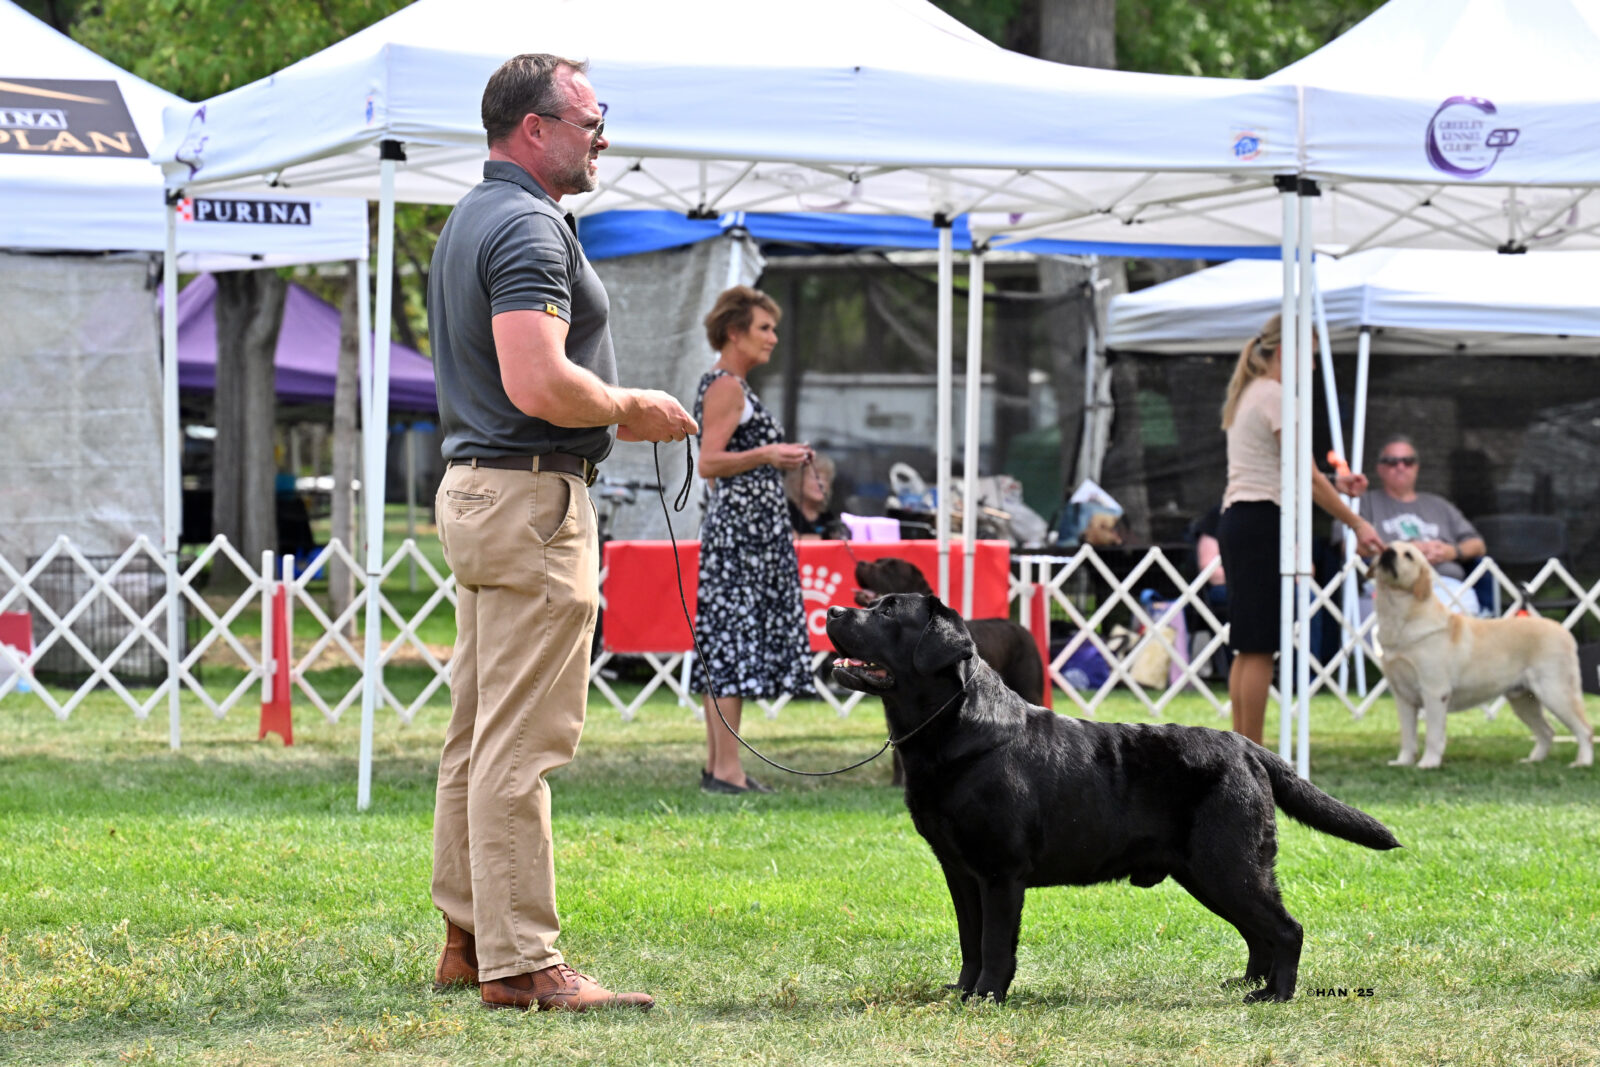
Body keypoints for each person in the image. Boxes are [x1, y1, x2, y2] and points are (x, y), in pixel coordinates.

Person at [427, 53, 697, 1014]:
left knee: (475, 731)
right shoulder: (529, 229)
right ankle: (523, 962)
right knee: (523, 743)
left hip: (477, 489)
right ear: (531, 128)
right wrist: (635, 406)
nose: (602, 134)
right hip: (531, 495)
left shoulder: (468, 218)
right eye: (588, 118)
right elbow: (538, 382)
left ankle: (468, 935)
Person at [1218, 314, 1384, 745]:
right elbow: (1306, 479)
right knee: (1259, 647)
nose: (1311, 366)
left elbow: (1290, 471)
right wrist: (1357, 522)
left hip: (1239, 519)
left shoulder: (1249, 394)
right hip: (1260, 522)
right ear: (1283, 352)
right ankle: (1250, 754)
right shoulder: (1277, 397)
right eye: (1308, 356)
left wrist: (1338, 486)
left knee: (1248, 645)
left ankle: (1241, 748)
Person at [694, 286, 816, 794]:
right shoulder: (727, 387)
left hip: (747, 531)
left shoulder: (733, 386)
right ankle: (725, 770)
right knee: (731, 643)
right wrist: (769, 454)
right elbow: (708, 462)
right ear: (734, 332)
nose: (773, 337)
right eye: (764, 328)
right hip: (741, 536)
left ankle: (724, 768)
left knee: (730, 644)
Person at [1356, 435, 1487, 615]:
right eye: (1392, 461)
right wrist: (1404, 551)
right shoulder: (1363, 503)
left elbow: (1478, 545)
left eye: (1407, 461)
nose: (1400, 467)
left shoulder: (1440, 505)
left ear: (1416, 467)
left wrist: (1451, 551)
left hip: (1447, 587)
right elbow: (1347, 546)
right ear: (1380, 468)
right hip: (1390, 588)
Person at [784, 450, 844, 539]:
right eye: (815, 477)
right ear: (797, 481)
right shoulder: (785, 511)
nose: (821, 483)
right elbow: (790, 539)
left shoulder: (828, 517)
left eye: (826, 479)